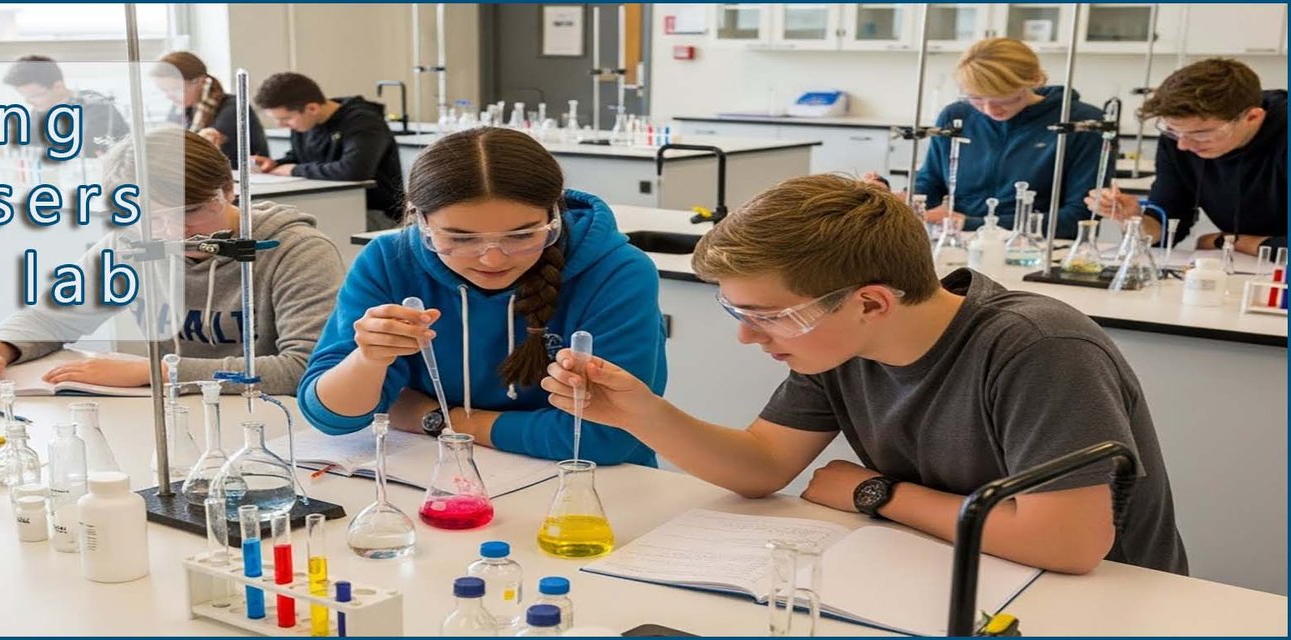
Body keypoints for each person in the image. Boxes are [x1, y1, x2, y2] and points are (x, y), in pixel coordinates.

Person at [542, 174, 1187, 575]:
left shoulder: (1040, 349)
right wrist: (640, 411)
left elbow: (1067, 544)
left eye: (767, 315)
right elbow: (764, 465)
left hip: (1101, 600)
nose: (746, 335)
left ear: (871, 302)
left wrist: (874, 492)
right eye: (736, 312)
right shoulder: (839, 344)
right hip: (944, 564)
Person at [297, 127, 665, 466]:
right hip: (434, 477)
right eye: (460, 238)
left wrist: (442, 419)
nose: (492, 258)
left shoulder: (617, 271)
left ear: (554, 214)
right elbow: (330, 417)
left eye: (522, 236)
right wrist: (368, 359)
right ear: (420, 220)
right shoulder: (388, 260)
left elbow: (607, 437)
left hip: (593, 487)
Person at [0, 129, 344, 395]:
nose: (174, 232)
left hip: (274, 425)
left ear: (229, 189)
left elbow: (303, 368)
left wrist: (161, 372)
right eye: (151, 218)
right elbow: (51, 316)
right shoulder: (132, 243)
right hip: (175, 418)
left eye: (192, 211)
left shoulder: (295, 249)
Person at [866, 37, 1110, 238]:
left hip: (1039, 249)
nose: (990, 110)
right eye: (976, 98)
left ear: (1034, 79)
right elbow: (931, 185)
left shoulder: (1081, 124)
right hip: (958, 243)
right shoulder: (957, 116)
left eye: (1004, 98)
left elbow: (1081, 217)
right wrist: (896, 198)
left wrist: (972, 223)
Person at [1086, 58, 1286, 254]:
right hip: (1244, 264)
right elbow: (1167, 223)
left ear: (1252, 117)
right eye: (1173, 131)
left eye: (1202, 134)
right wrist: (1132, 219)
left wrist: (1228, 241)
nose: (1183, 145)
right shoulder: (1179, 139)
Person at [249, 72, 405, 230]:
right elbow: (299, 157)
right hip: (330, 205)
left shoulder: (364, 122)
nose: (282, 125)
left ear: (312, 108)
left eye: (286, 119)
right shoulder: (305, 123)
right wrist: (275, 164)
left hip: (373, 213)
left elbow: (354, 171)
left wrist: (294, 170)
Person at [153, 50, 270, 170]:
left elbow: (199, 151)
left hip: (245, 179)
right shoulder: (183, 109)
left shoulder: (233, 107)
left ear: (200, 81)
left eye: (175, 89)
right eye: (164, 91)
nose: (169, 96)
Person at [1, 55, 130, 157]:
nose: (28, 102)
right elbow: (27, 144)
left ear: (58, 86)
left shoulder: (97, 107)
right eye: (25, 96)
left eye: (34, 96)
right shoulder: (41, 110)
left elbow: (83, 150)